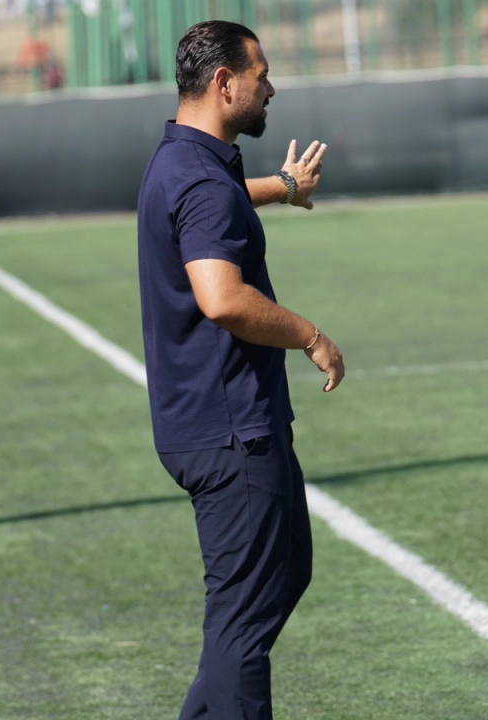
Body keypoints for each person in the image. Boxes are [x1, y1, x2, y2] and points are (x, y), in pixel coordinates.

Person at [135, 20, 346, 720]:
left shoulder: (186, 158)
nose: (272, 89)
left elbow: (217, 199)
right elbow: (223, 300)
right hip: (230, 434)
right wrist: (309, 335)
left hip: (216, 423)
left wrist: (282, 187)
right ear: (225, 83)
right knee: (243, 624)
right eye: (262, 76)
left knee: (281, 577)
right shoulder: (199, 176)